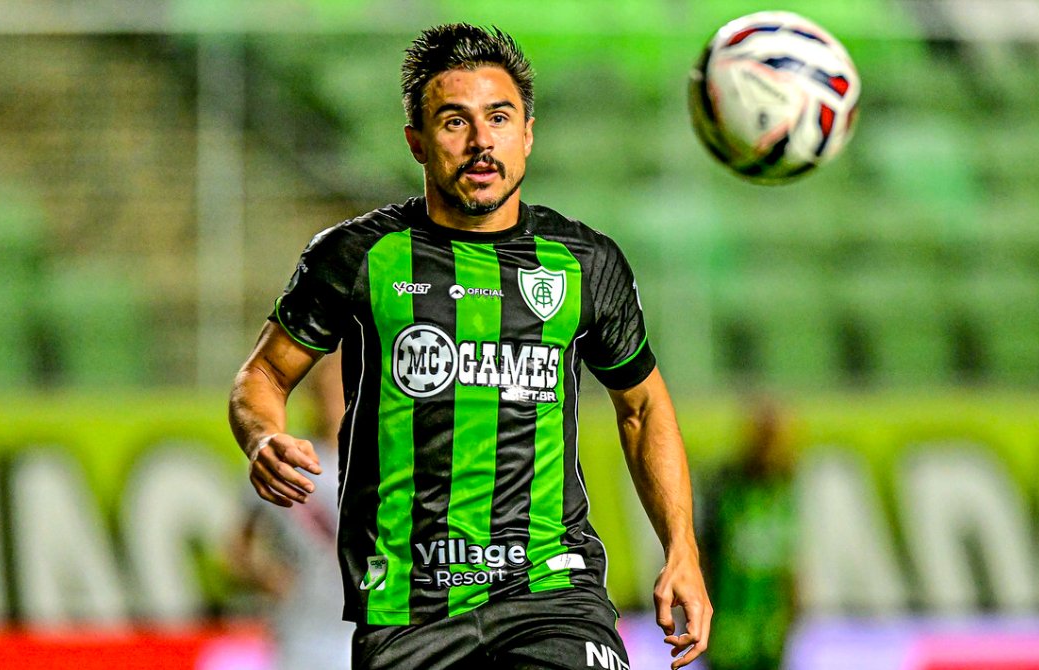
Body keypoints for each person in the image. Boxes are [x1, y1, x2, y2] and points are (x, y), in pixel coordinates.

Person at [229, 23, 711, 670]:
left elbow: (644, 407)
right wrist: (262, 435)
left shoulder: (583, 263)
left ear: (528, 134)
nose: (482, 141)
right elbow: (262, 375)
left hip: (554, 595)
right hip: (408, 606)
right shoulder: (358, 256)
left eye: (500, 118)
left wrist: (681, 548)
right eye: (455, 122)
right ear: (417, 144)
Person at [225, 353, 353, 669]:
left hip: (365, 629)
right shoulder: (286, 459)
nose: (336, 398)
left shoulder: (383, 465)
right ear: (314, 396)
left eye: (344, 388)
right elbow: (235, 550)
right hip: (301, 632)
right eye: (329, 389)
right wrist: (271, 578)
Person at [700, 397, 796, 670]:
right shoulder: (725, 490)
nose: (772, 445)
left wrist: (793, 611)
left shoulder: (786, 491)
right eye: (765, 436)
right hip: (728, 632)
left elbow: (788, 559)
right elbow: (702, 555)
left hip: (771, 632)